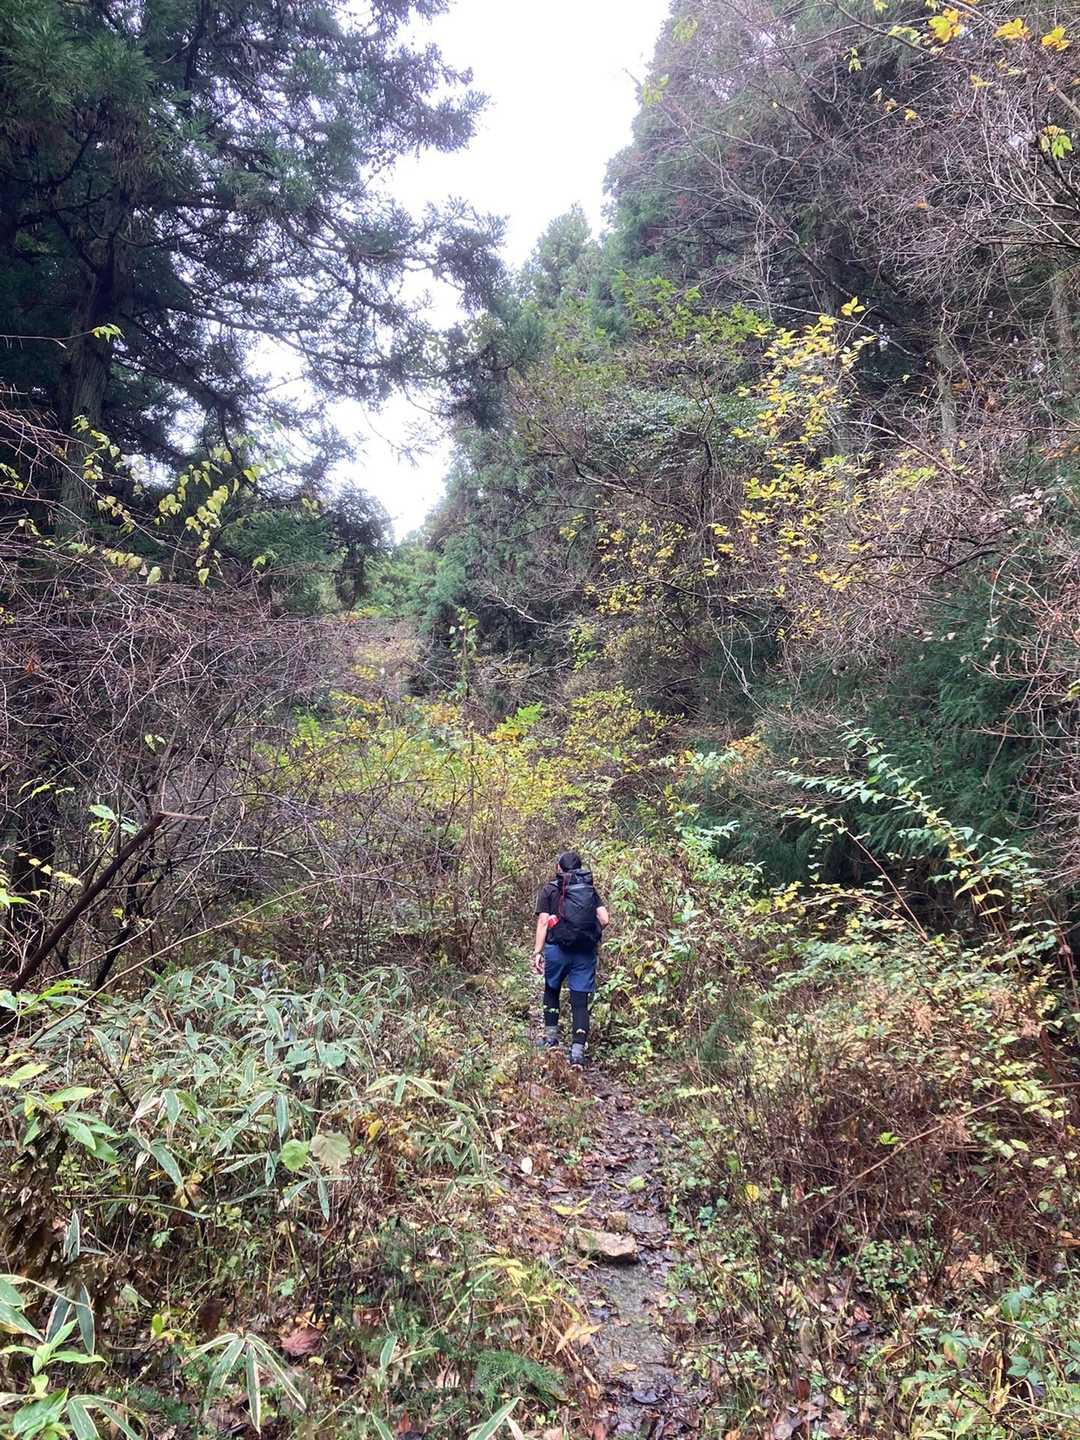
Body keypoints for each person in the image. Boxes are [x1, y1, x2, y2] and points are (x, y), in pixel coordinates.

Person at [532, 849, 609, 1066]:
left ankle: (550, 1039)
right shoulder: (589, 890)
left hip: (557, 950)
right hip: (585, 951)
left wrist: (537, 952)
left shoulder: (550, 889)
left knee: (551, 990)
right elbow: (604, 919)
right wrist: (587, 933)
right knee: (580, 1000)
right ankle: (577, 1053)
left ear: (559, 867)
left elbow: (543, 923)